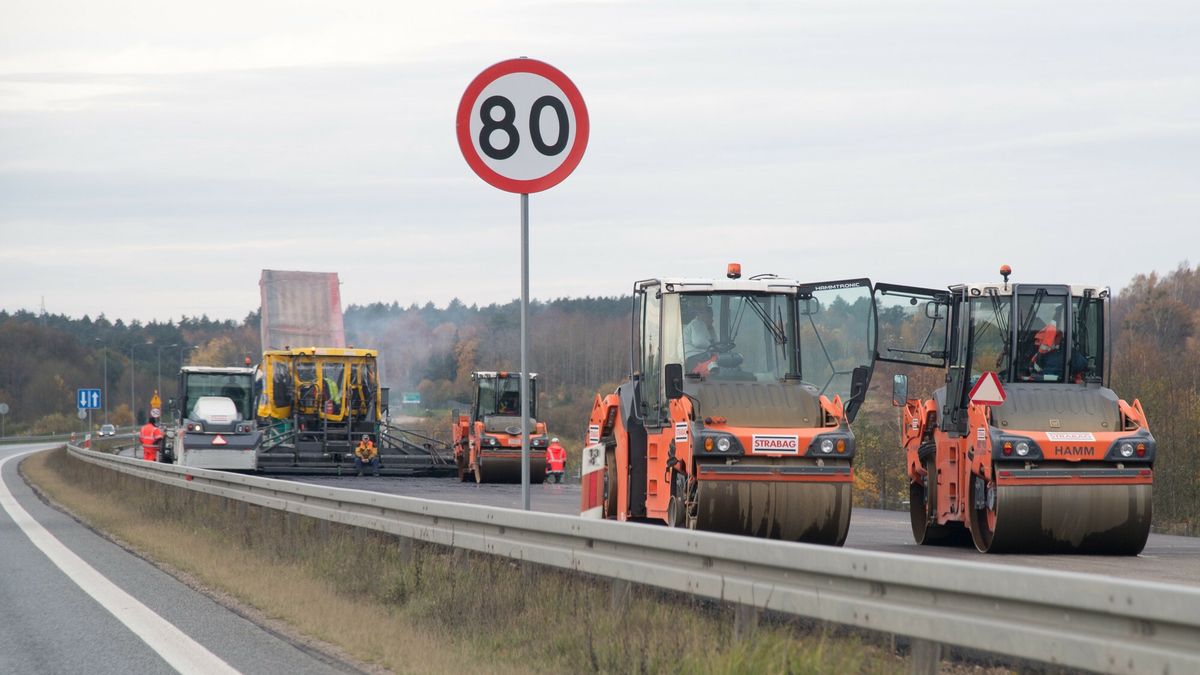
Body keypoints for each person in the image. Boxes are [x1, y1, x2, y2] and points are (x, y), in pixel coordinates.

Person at [683, 301, 717, 373]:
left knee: (719, 361)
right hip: (694, 358)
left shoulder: (708, 329)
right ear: (702, 316)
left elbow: (716, 343)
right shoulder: (696, 323)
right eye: (710, 317)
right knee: (718, 361)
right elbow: (699, 342)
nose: (712, 320)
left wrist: (711, 329)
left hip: (700, 357)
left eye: (712, 317)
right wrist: (714, 347)